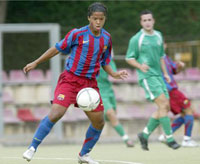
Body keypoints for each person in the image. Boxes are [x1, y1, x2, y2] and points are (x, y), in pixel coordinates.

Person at [22, 2, 128, 164]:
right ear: (89, 18)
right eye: (95, 19)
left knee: (99, 121)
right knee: (56, 113)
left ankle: (83, 155)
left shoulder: (107, 38)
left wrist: (114, 73)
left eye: (101, 19)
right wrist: (36, 62)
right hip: (70, 80)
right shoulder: (77, 34)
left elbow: (104, 60)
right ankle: (32, 147)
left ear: (105, 19)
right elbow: (57, 48)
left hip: (90, 84)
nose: (98, 22)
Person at [125, 9, 180, 151]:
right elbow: (129, 58)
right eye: (144, 20)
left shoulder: (158, 36)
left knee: (165, 107)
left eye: (149, 20)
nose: (147, 22)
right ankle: (169, 138)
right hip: (147, 76)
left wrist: (166, 73)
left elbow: (161, 56)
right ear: (141, 22)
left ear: (153, 21)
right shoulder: (137, 39)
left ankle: (144, 134)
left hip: (159, 76)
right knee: (163, 104)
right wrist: (139, 66)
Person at [158, 43, 199, 147]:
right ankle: (186, 140)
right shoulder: (156, 58)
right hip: (171, 90)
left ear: (165, 45)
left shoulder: (166, 58)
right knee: (189, 110)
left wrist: (179, 66)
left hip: (171, 90)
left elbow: (174, 70)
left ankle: (167, 135)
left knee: (185, 114)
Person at [97, 51, 134, 147]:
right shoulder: (92, 61)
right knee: (110, 113)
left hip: (109, 91)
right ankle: (126, 138)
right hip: (98, 91)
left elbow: (114, 75)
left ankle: (96, 132)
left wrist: (118, 74)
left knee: (110, 116)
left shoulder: (109, 62)